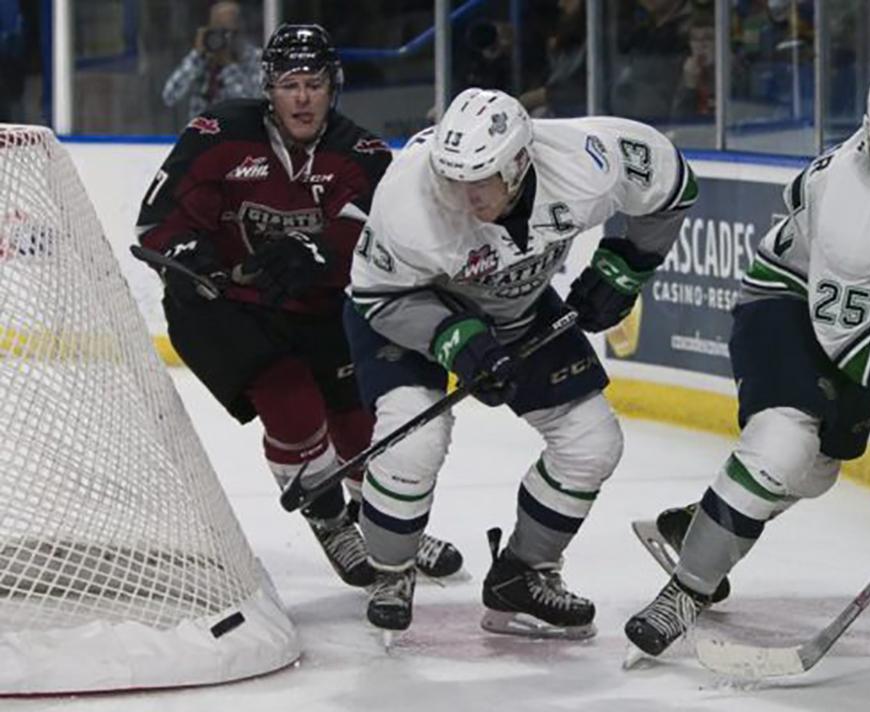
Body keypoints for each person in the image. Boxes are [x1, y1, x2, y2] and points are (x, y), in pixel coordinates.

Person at [625, 59, 870, 658]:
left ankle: (700, 525)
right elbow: (861, 352)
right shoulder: (855, 212)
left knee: (818, 472)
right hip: (787, 300)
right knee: (783, 446)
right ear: (869, 130)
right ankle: (685, 590)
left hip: (864, 312)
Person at [344, 87, 698, 637]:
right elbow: (376, 297)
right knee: (416, 440)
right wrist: (454, 339)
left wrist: (627, 265)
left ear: (518, 164)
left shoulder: (585, 162)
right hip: (413, 308)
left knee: (591, 442)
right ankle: (390, 570)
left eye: (479, 181)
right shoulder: (409, 197)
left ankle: (523, 574)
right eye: (452, 179)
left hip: (517, 307)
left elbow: (671, 184)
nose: (462, 196)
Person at [136, 24, 463, 592]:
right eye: (291, 84)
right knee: (292, 405)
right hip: (230, 308)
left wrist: (318, 250)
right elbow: (157, 221)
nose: (304, 97)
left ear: (333, 88)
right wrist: (186, 253)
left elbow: (372, 237)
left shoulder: (360, 153)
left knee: (362, 427)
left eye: (315, 83)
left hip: (321, 307)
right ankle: (330, 518)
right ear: (270, 88)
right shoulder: (218, 134)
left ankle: (388, 525)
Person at [162, 1, 263, 119]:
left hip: (238, 132)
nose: (224, 38)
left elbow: (248, 105)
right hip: (201, 133)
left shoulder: (254, 58)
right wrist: (197, 56)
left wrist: (228, 65)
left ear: (239, 29)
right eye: (218, 31)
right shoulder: (202, 59)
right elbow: (169, 96)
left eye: (228, 32)